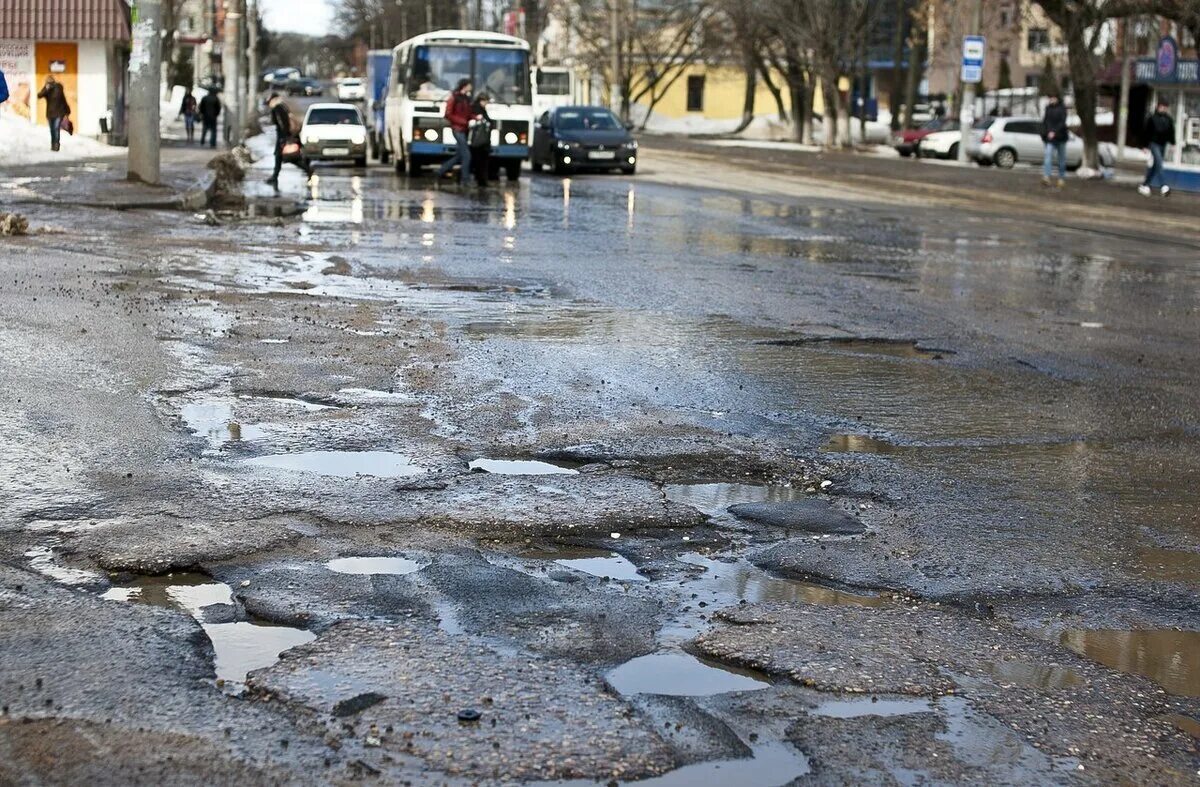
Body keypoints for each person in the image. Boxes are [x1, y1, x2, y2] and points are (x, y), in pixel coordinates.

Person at [266, 93, 312, 187]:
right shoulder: (283, 106)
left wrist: (284, 138)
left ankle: (308, 169)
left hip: (283, 136)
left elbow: (283, 124)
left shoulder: (277, 108)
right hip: (286, 135)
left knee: (289, 157)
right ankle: (275, 176)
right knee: (280, 156)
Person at [436, 79, 476, 184]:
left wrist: (475, 118)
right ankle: (465, 179)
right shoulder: (454, 97)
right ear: (465, 86)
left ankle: (441, 171)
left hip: (465, 129)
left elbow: (468, 113)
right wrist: (462, 122)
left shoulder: (467, 98)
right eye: (469, 85)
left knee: (460, 155)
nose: (471, 87)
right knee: (467, 155)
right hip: (457, 129)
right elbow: (448, 114)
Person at [1139, 99, 1176, 197]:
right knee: (1159, 163)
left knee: (1156, 166)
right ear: (1158, 107)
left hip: (1163, 144)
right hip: (1153, 143)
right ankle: (1164, 186)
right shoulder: (1152, 118)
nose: (1163, 109)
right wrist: (1145, 146)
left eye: (1165, 107)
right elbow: (1146, 132)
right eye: (1162, 107)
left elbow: (1171, 132)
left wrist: (1173, 143)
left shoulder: (1168, 119)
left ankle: (1144, 184)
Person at [36, 75, 70, 152]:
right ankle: (53, 144)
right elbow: (39, 95)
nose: (49, 83)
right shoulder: (47, 89)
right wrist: (46, 88)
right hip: (50, 114)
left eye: (50, 82)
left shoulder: (58, 88)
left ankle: (56, 145)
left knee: (56, 128)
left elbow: (63, 99)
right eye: (48, 82)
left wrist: (67, 111)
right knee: (52, 130)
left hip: (58, 113)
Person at [1040, 93, 1068, 188]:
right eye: (1050, 98)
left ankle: (1061, 178)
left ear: (1057, 99)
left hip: (1061, 137)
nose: (1051, 100)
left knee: (1061, 159)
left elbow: (1062, 122)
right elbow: (1045, 122)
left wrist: (1054, 132)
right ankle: (1046, 177)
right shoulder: (1048, 109)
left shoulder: (1062, 109)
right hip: (1050, 138)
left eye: (1053, 98)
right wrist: (1046, 132)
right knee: (1048, 157)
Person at [468, 92, 493, 187]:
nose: (487, 104)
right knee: (481, 161)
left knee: (479, 161)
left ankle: (481, 180)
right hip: (479, 141)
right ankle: (481, 181)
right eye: (486, 101)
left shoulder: (477, 108)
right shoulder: (478, 109)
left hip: (479, 141)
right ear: (482, 101)